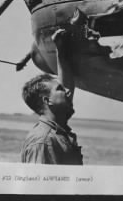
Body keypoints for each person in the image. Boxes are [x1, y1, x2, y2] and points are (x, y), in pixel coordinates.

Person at [21, 29, 83, 165]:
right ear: (47, 100)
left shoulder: (56, 130)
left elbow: (66, 83)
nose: (68, 92)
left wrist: (60, 50)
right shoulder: (43, 142)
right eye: (60, 89)